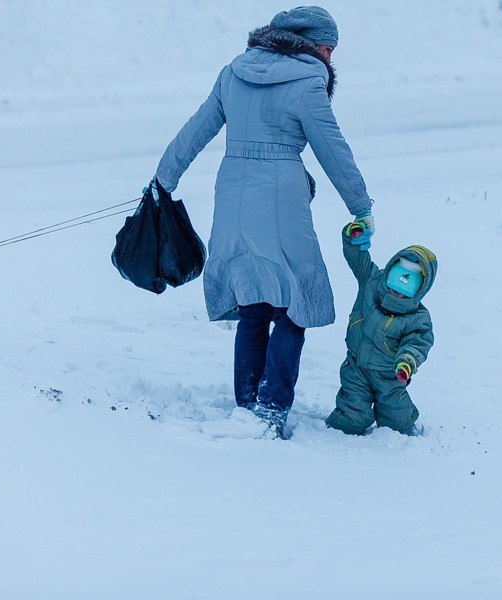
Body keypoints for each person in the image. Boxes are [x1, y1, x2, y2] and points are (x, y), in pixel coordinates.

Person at [149, 6, 375, 438]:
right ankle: (271, 408)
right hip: (281, 195)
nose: (330, 56)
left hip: (231, 190)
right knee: (297, 301)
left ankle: (248, 403)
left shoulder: (234, 71)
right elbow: (333, 150)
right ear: (308, 42)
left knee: (253, 303)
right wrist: (360, 206)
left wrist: (164, 178)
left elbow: (196, 129)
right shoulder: (308, 81)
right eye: (327, 47)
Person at [325, 221, 437, 435]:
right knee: (352, 416)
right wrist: (352, 238)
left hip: (389, 375)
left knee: (397, 421)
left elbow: (417, 344)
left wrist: (406, 362)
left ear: (419, 290)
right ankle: (333, 434)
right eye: (394, 287)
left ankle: (404, 429)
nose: (396, 294)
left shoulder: (417, 318)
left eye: (404, 292)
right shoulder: (371, 282)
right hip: (356, 367)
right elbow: (358, 259)